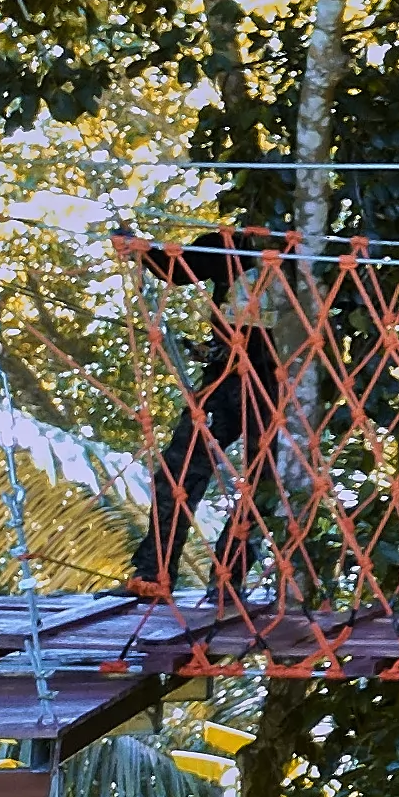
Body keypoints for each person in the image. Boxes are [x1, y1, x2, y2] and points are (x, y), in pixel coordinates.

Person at [113, 224, 284, 601]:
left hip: (278, 386)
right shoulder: (230, 246)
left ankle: (229, 577)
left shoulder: (307, 258)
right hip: (224, 377)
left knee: (264, 483)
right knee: (180, 468)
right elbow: (177, 268)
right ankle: (153, 571)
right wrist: (141, 247)